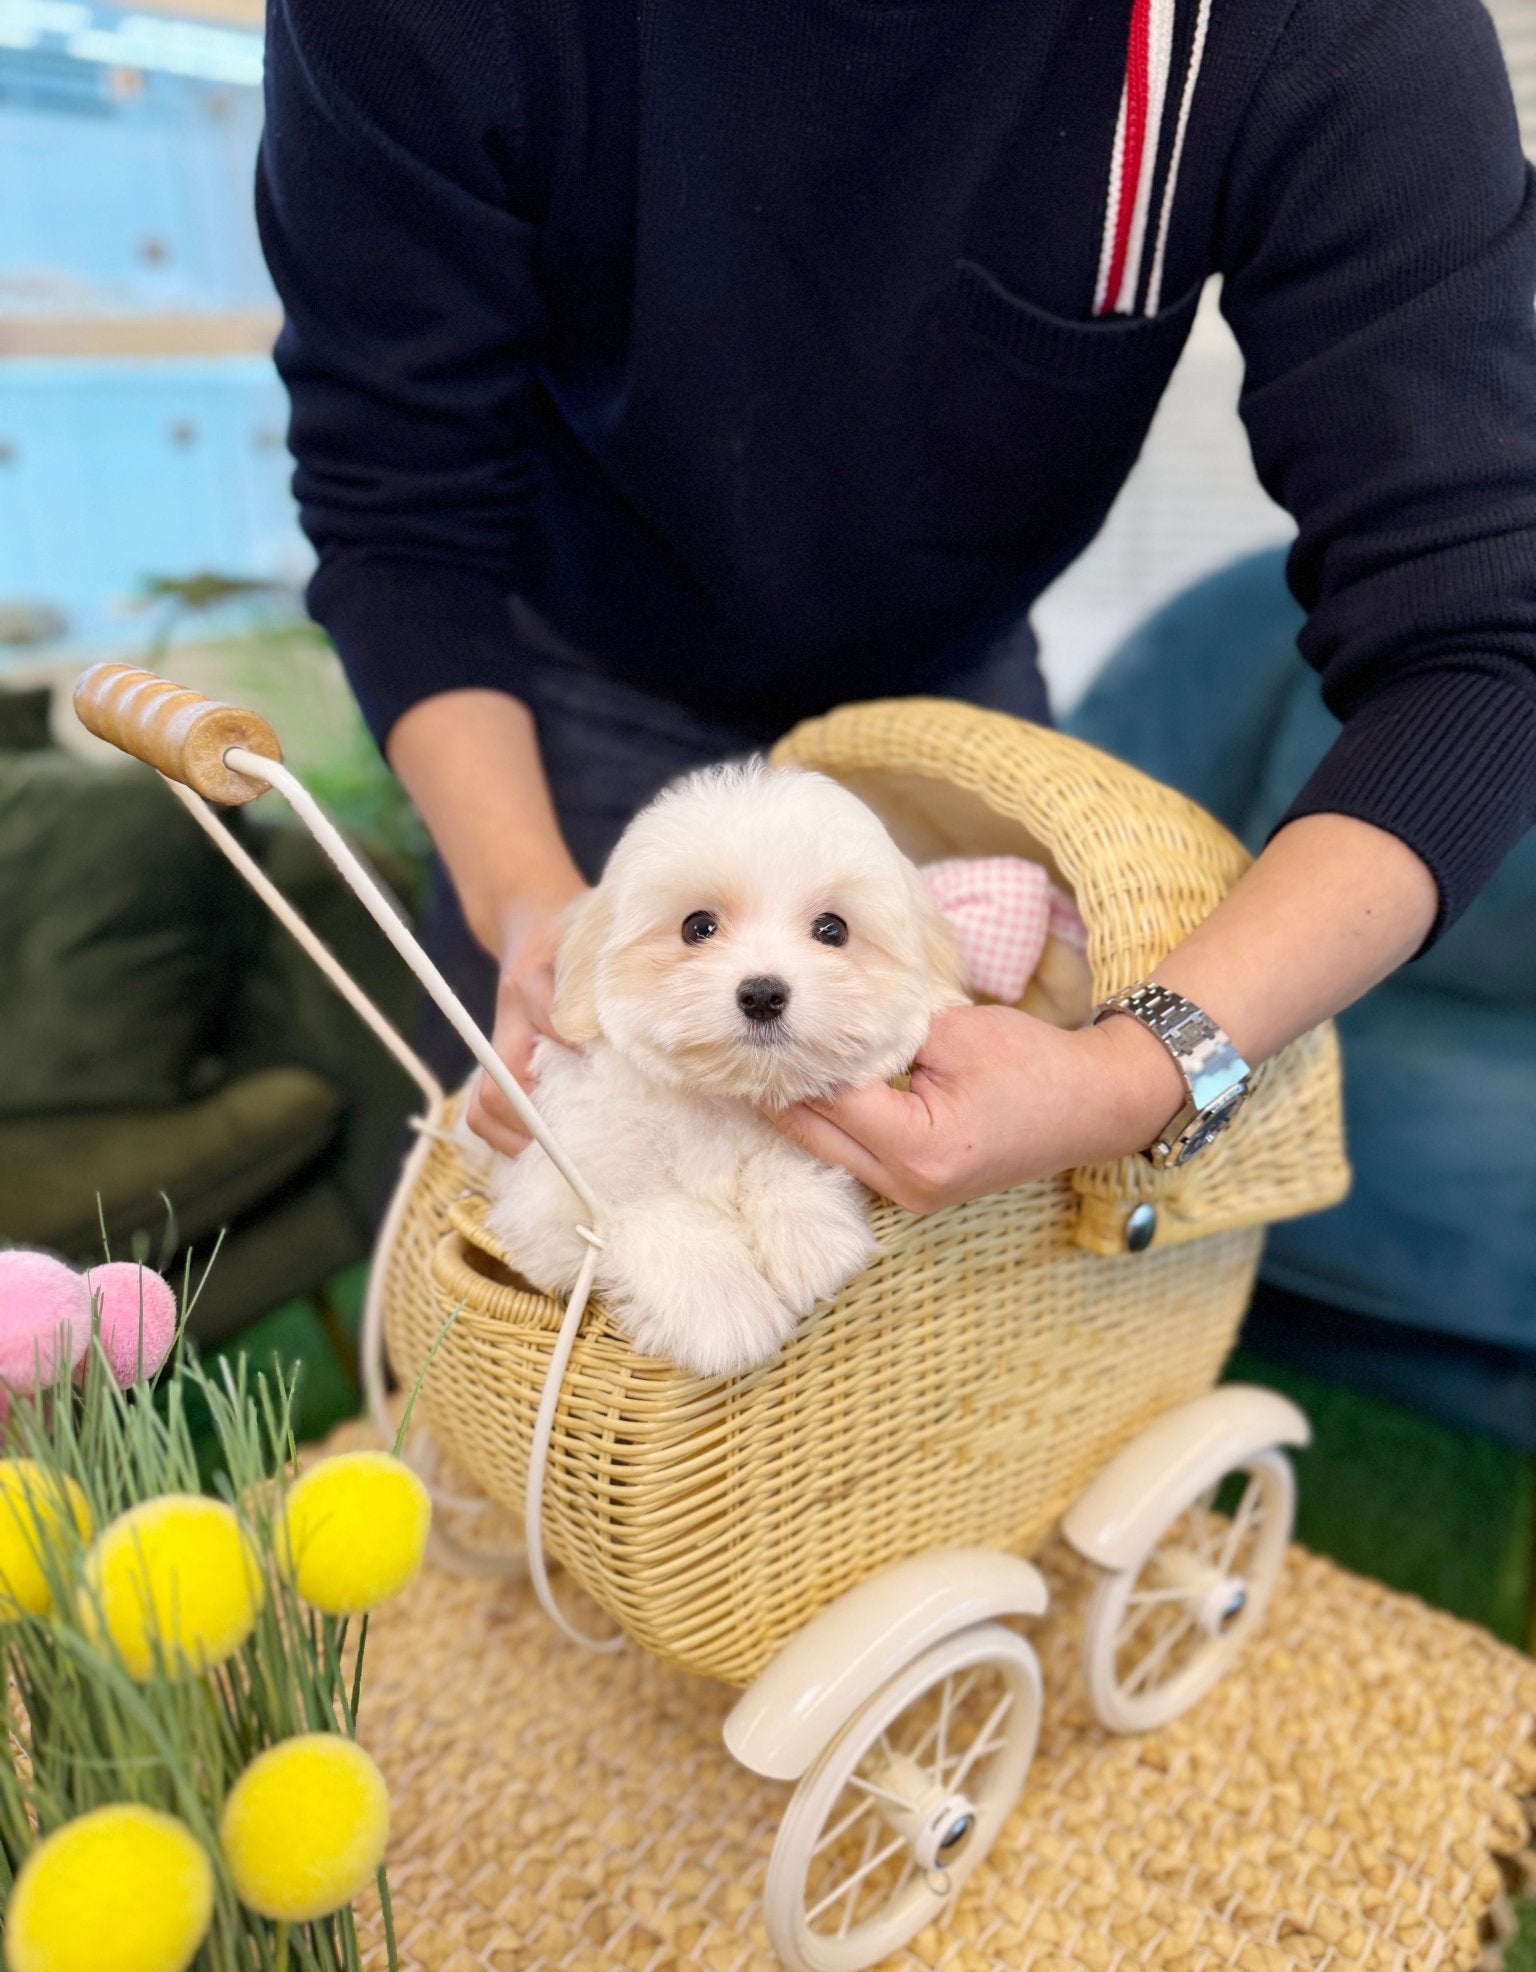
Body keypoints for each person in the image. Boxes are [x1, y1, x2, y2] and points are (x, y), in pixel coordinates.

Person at [257, 0, 1536, 1211]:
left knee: (974, 1310)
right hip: (561, 673)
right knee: (532, 1259)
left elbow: (1485, 636)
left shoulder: (1309, 40)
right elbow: (398, 496)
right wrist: (533, 903)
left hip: (951, 688)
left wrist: (1132, 1073)